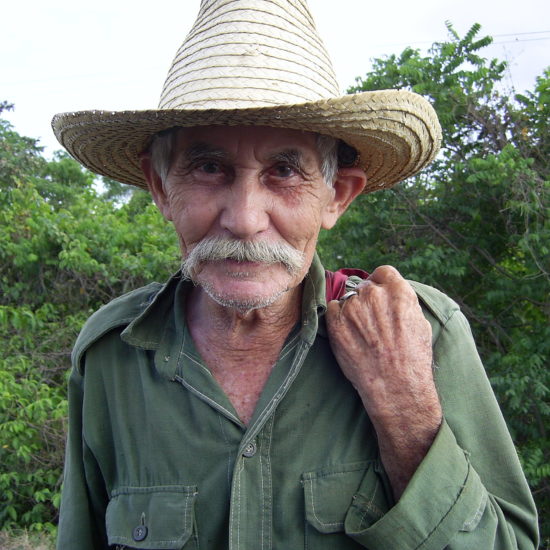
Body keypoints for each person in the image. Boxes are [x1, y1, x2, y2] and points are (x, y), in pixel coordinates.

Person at [53, 1, 539, 548]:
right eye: (209, 168)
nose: (244, 219)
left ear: (337, 196)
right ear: (162, 188)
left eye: (284, 172)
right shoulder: (109, 356)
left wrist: (407, 415)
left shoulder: (422, 334)